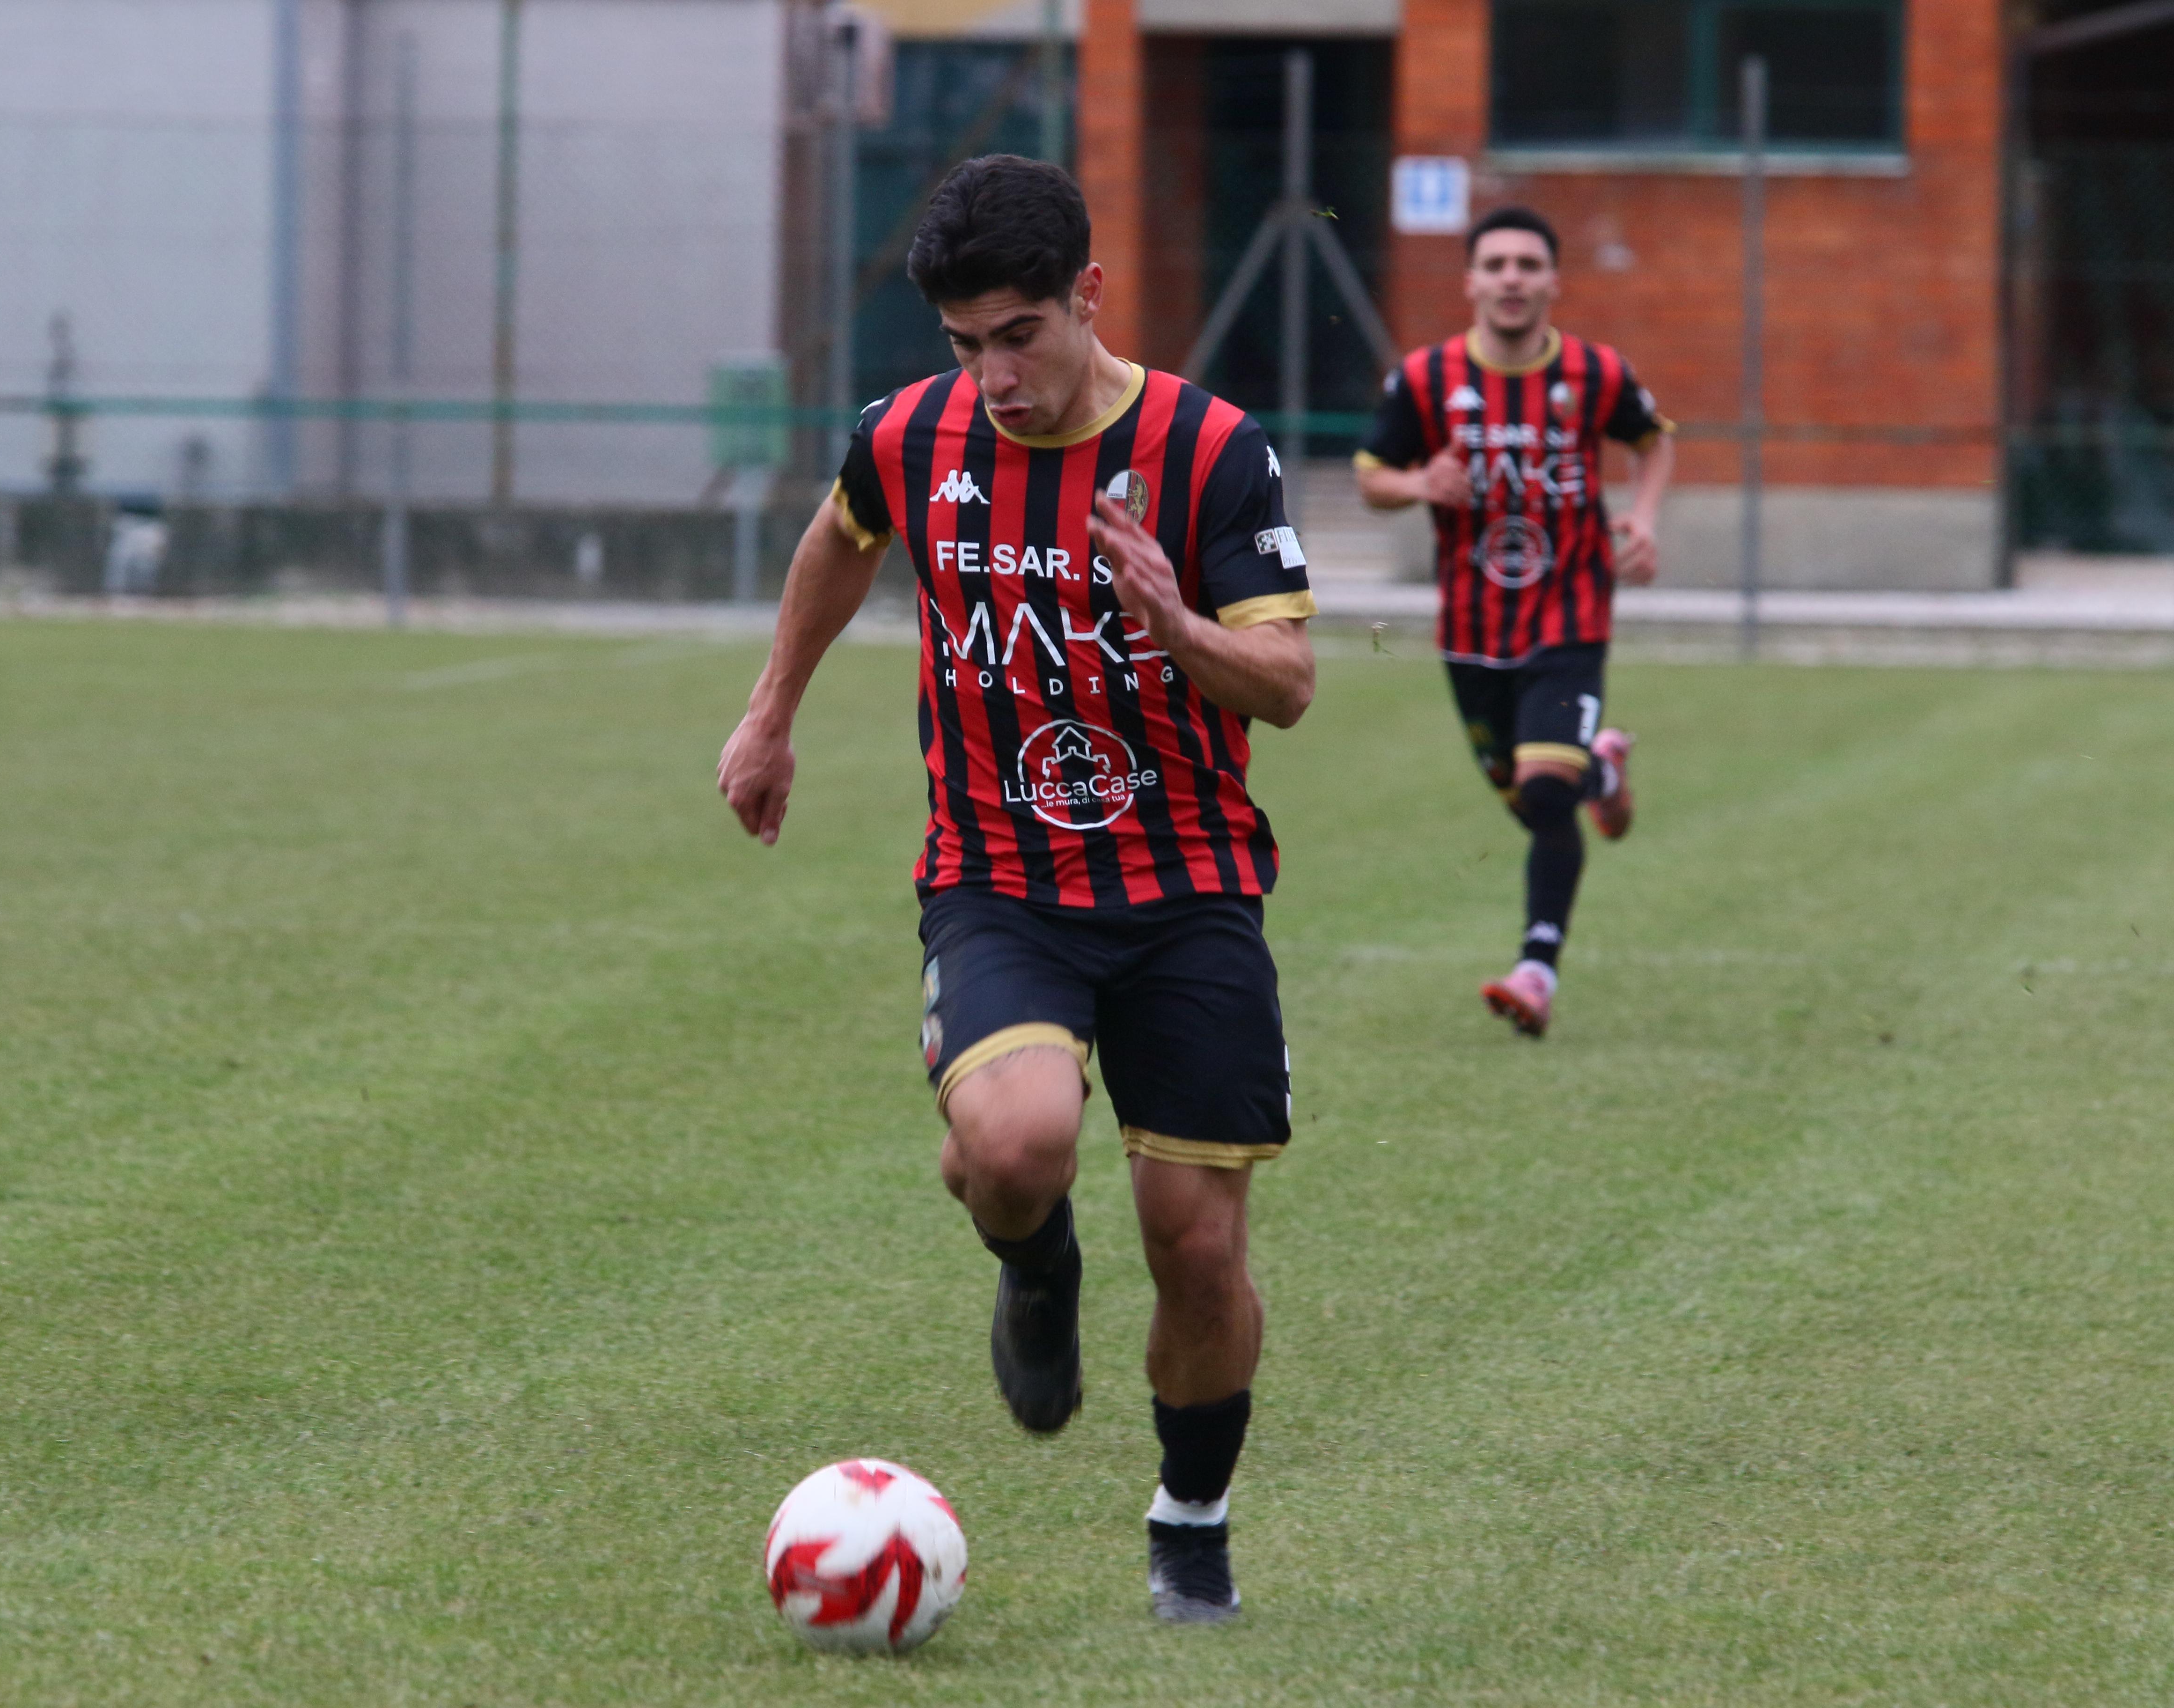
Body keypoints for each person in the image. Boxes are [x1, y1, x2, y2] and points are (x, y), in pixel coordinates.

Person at [718, 155, 1315, 1624]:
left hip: (1189, 888)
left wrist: (1174, 621)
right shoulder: (910, 437)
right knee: (1016, 1140)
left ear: (1087, 297)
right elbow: (840, 534)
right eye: (965, 344)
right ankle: (1036, 1264)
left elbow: (1289, 683)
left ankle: (1190, 1527)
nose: (994, 378)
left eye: (1019, 337)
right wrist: (771, 714)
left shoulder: (1212, 450)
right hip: (1000, 878)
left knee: (1197, 1244)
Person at [1354, 205, 1675, 1038]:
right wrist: (1419, 484)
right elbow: (1371, 476)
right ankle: (1602, 773)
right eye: (1495, 264)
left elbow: (1653, 441)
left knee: (1544, 790)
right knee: (1537, 806)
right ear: (1470, 281)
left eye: (1528, 265)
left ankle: (1536, 971)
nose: (1511, 278)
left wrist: (1643, 519)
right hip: (1471, 634)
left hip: (1571, 616)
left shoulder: (1596, 372)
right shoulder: (1425, 378)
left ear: (1552, 281)